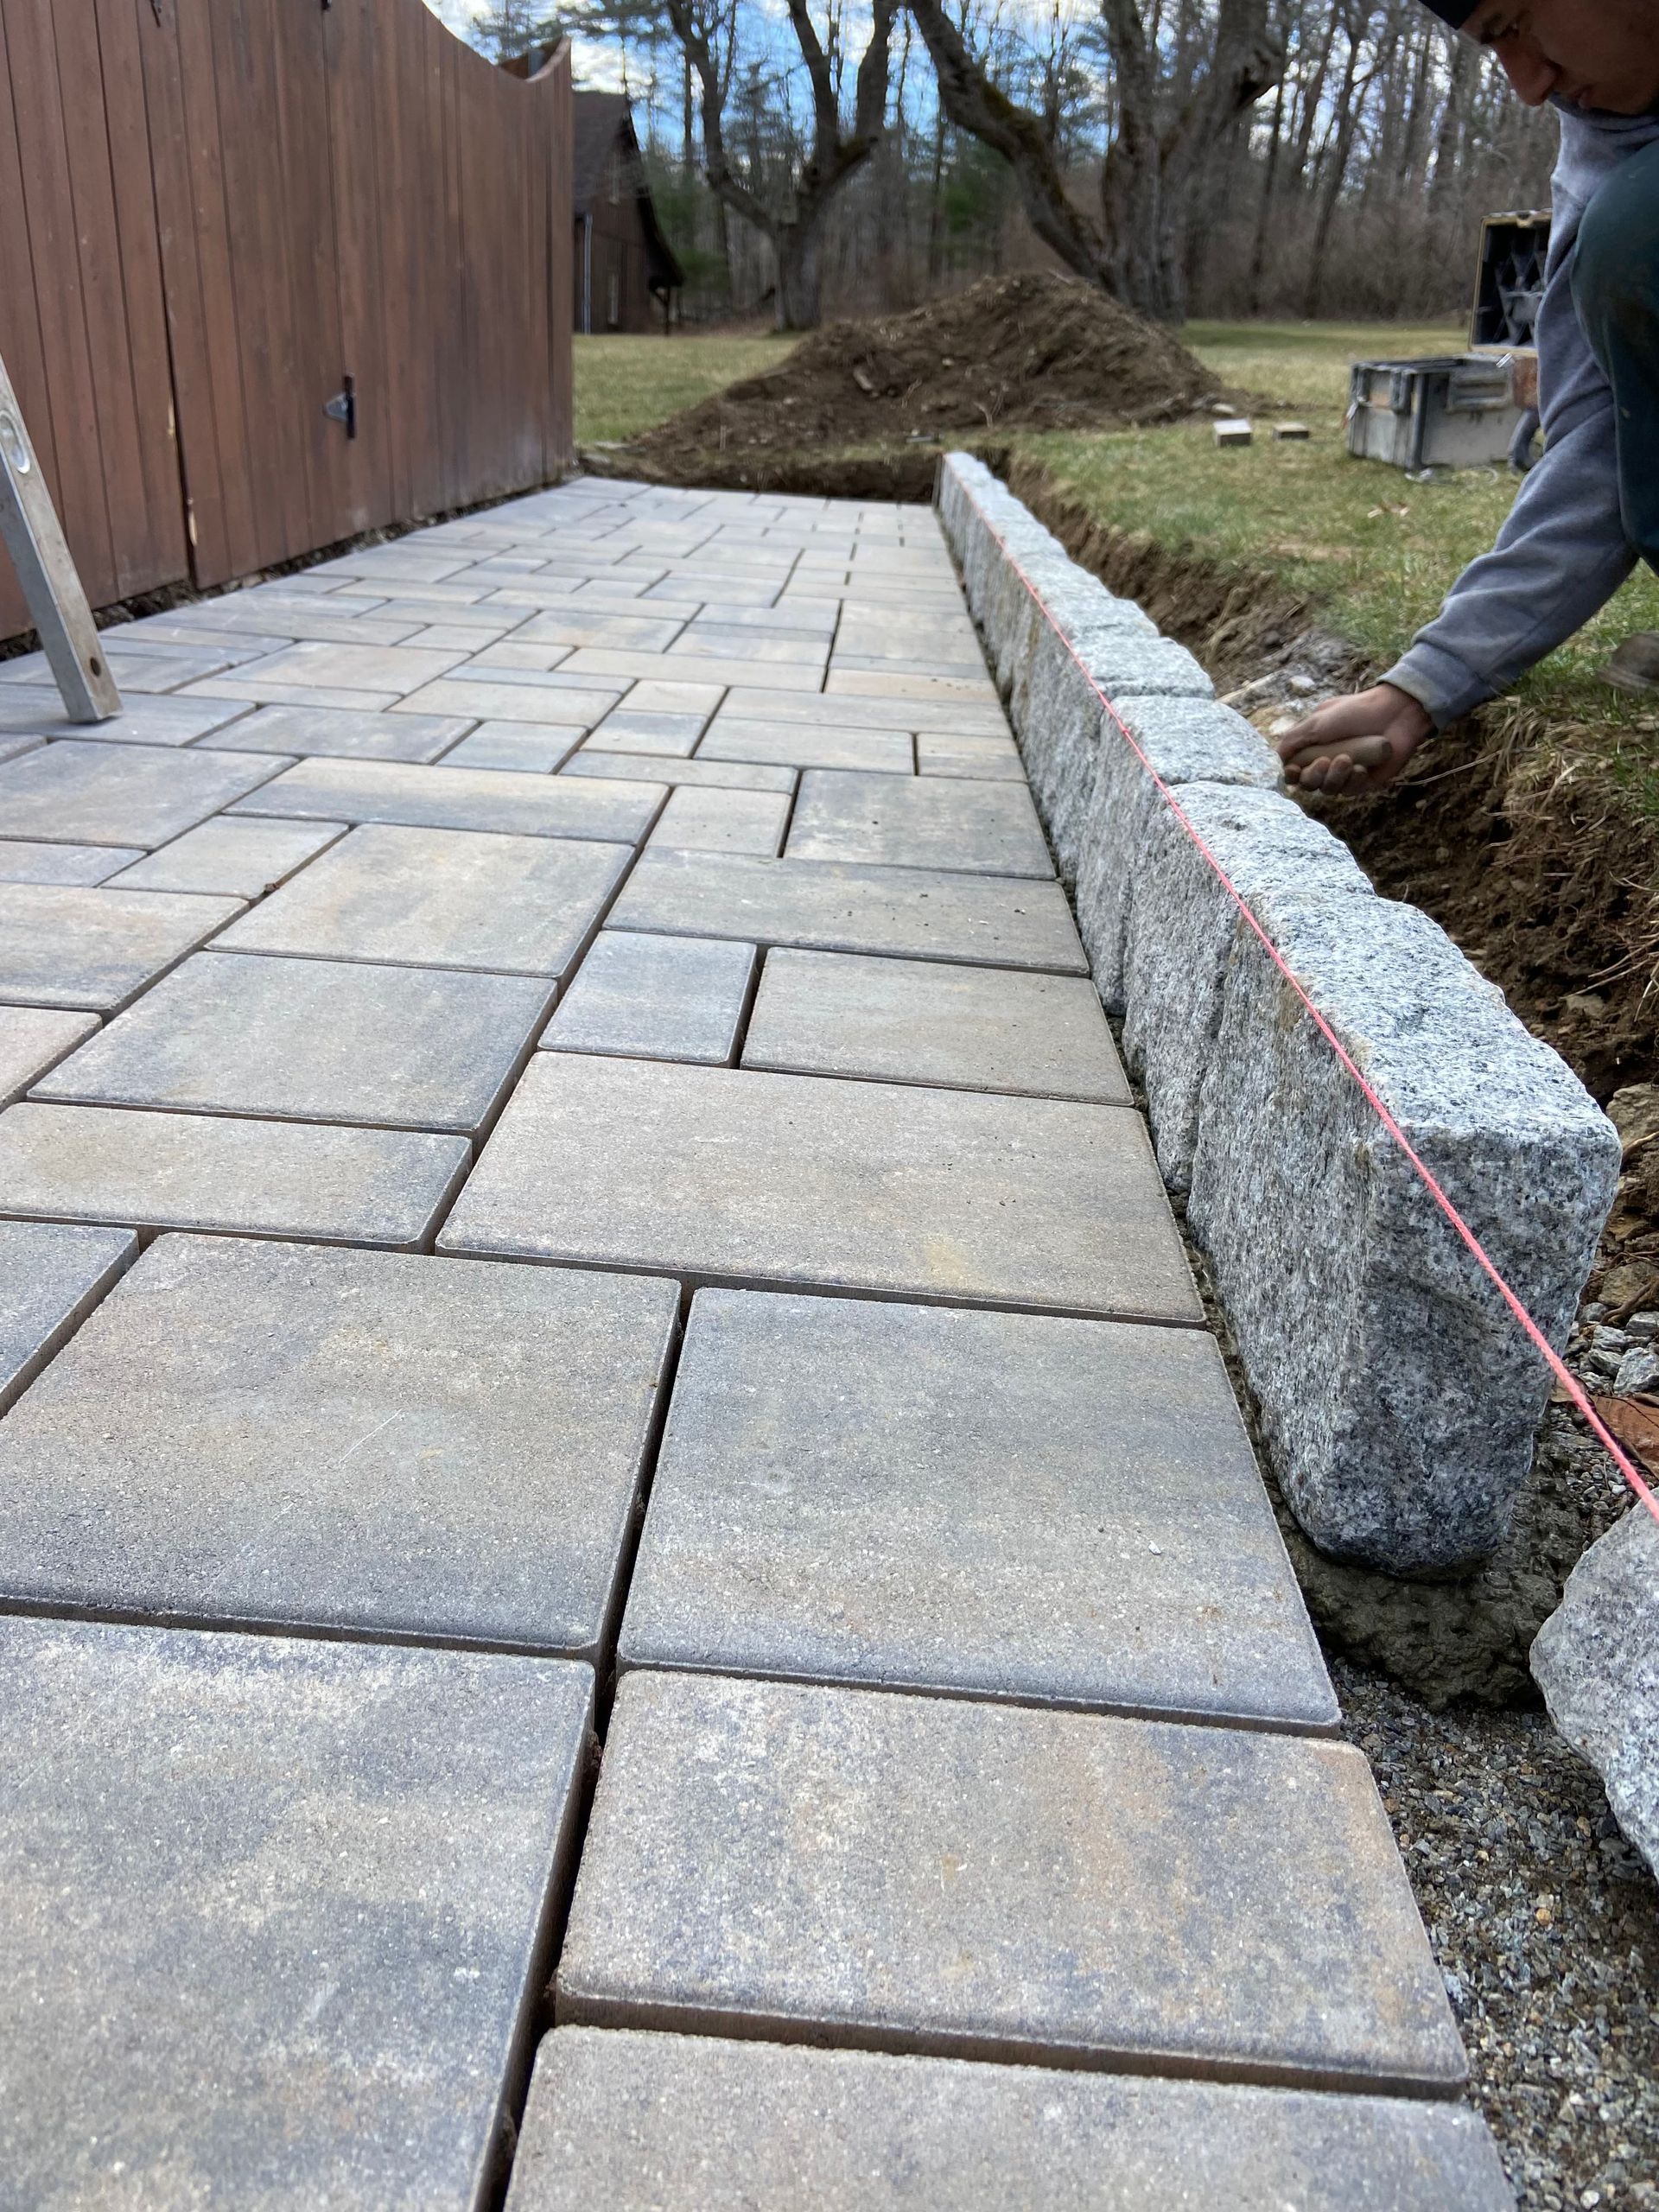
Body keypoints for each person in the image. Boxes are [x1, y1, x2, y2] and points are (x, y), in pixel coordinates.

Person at [1278, 0, 1659, 795]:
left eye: (1516, 21)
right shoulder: (1606, 152)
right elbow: (1606, 441)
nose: (1527, 84)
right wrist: (1423, 687)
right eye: (1492, 46)